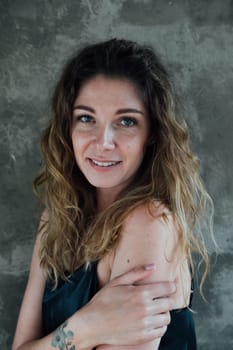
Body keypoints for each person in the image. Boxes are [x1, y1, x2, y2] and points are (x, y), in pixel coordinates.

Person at [12, 38, 214, 350]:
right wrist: (86, 327)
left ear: (152, 135)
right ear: (69, 127)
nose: (103, 142)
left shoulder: (149, 221)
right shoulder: (56, 217)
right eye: (86, 118)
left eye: (126, 121)